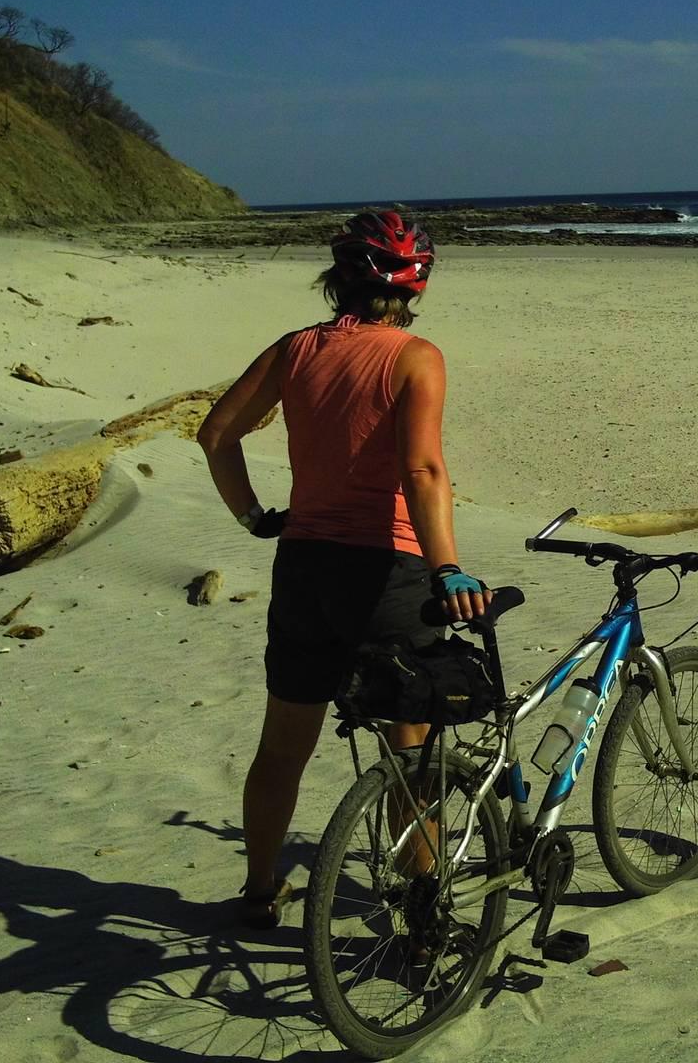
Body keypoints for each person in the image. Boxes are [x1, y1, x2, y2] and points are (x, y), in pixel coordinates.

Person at [196, 210, 490, 929]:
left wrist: (256, 517)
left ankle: (260, 892)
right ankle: (422, 912)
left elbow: (215, 434)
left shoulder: (296, 348)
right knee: (409, 755)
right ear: (417, 283)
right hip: (389, 573)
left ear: (341, 277)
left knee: (283, 745)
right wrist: (448, 567)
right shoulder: (416, 358)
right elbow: (422, 469)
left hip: (305, 567)